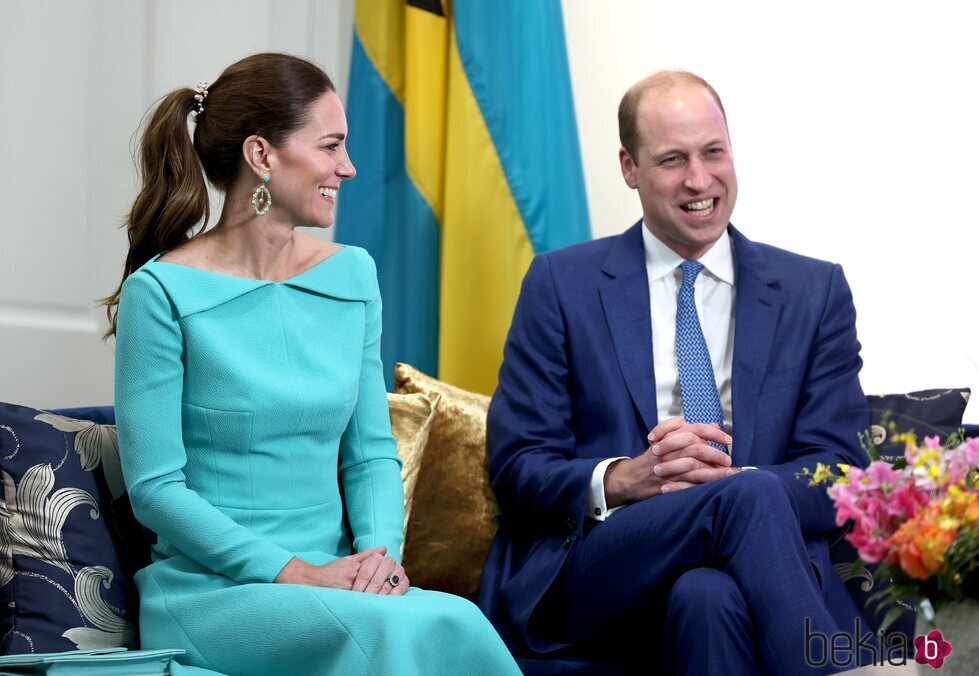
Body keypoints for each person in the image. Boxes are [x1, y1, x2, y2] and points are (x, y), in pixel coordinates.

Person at [107, 53, 519, 676]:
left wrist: (378, 559)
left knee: (458, 619)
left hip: (340, 583)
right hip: (215, 592)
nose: (347, 168)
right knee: (388, 633)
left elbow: (370, 451)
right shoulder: (160, 293)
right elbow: (157, 490)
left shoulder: (352, 275)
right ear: (262, 156)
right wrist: (295, 572)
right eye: (331, 146)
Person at [478, 71, 871, 675]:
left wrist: (736, 484)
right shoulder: (561, 285)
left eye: (713, 152)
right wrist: (622, 479)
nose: (699, 179)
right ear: (629, 167)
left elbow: (840, 470)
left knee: (707, 598)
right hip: (610, 562)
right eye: (671, 159)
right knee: (748, 496)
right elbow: (517, 466)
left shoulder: (812, 291)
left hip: (759, 570)